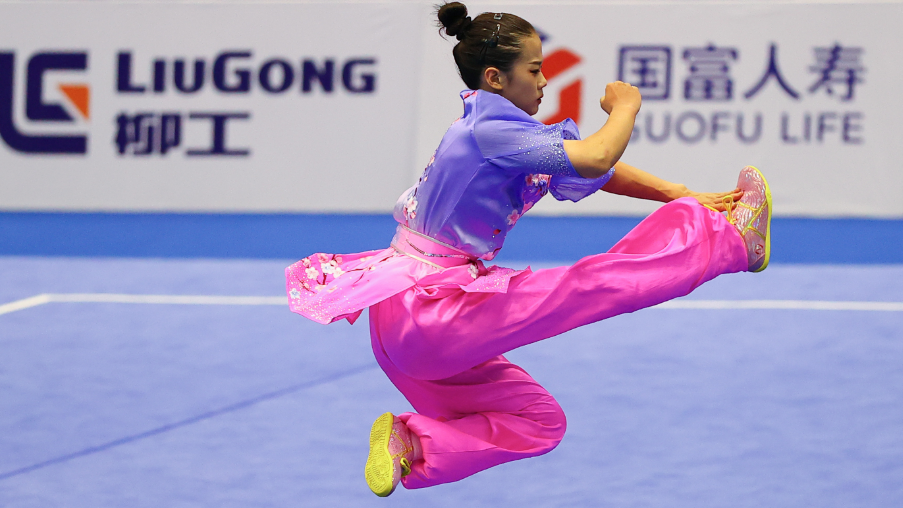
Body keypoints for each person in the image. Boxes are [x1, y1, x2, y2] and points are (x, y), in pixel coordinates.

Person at [285, 2, 772, 497]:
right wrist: (625, 108)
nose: (544, 81)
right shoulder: (490, 132)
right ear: (495, 77)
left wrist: (679, 193)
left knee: (538, 422)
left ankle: (412, 444)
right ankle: (734, 243)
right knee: (589, 285)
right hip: (432, 310)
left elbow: (594, 170)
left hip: (397, 321)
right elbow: (596, 155)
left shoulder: (495, 129)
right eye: (535, 70)